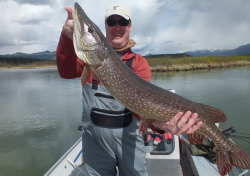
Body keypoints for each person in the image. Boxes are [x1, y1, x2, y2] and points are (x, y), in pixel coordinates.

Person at [56, 4, 203, 176]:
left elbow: (142, 105)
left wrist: (157, 124)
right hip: (95, 145)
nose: (117, 26)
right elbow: (66, 72)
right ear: (105, 26)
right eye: (112, 21)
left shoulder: (139, 63)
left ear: (129, 26)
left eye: (123, 22)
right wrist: (67, 37)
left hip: (129, 144)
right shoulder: (89, 59)